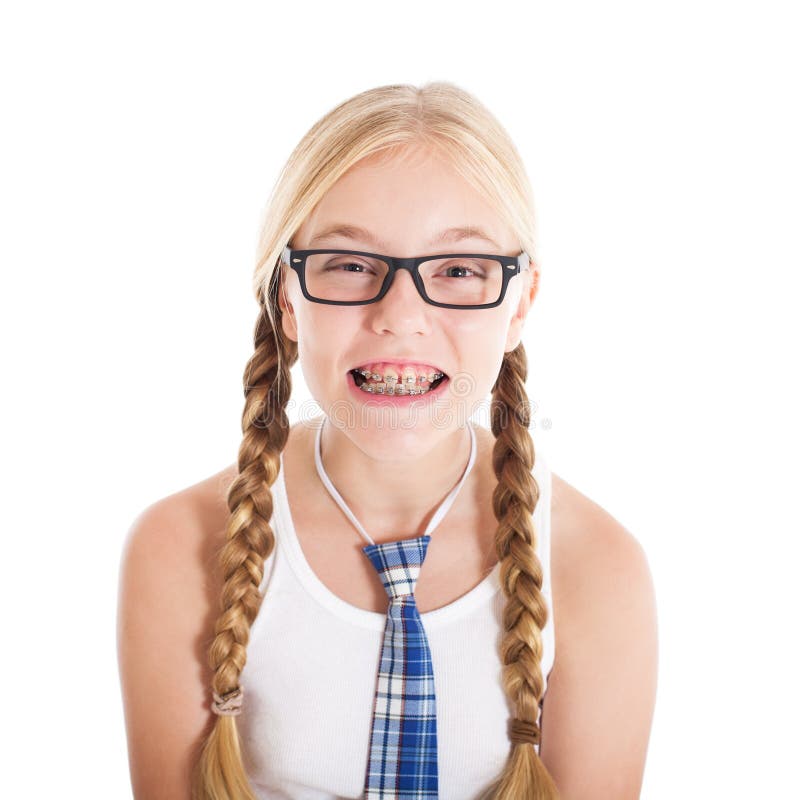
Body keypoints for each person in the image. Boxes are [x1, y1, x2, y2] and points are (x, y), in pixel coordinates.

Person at [117, 81, 658, 800]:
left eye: (459, 270)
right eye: (349, 265)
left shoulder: (597, 568)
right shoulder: (179, 547)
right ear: (287, 295)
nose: (400, 316)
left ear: (521, 302)